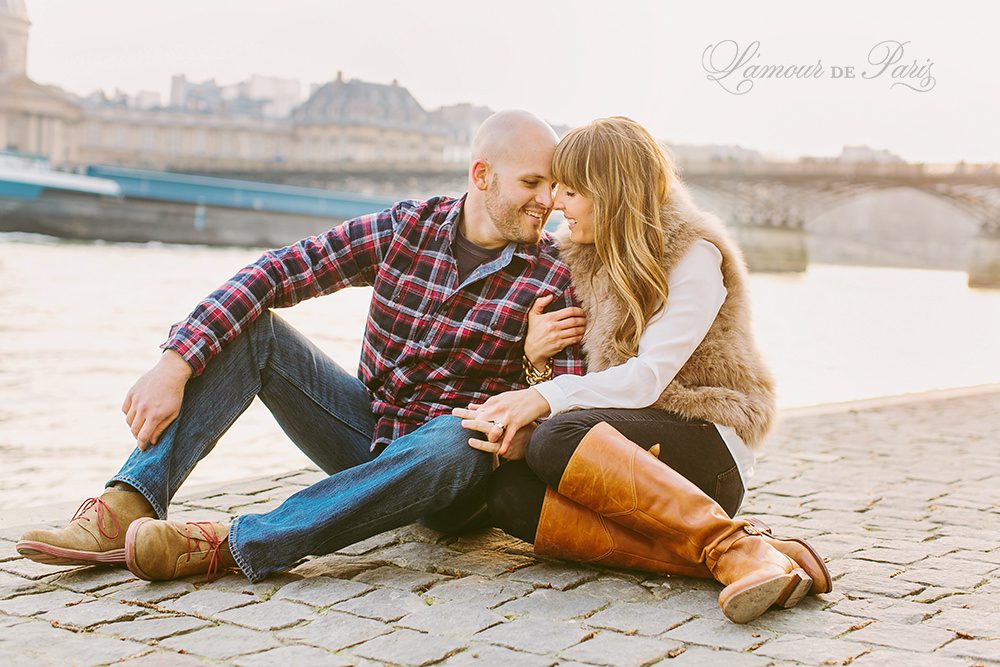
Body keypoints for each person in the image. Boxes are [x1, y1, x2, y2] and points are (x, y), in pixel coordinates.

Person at [16, 110, 586, 583]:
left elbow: (569, 411)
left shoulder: (557, 273)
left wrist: (531, 375)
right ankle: (128, 502)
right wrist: (175, 362)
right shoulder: (407, 228)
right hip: (370, 435)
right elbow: (278, 271)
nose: (548, 201)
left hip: (452, 474)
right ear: (482, 175)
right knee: (257, 330)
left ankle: (232, 544)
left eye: (552, 187)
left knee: (463, 436)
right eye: (531, 184)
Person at [454, 117, 830, 624]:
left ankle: (734, 547)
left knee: (555, 436)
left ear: (610, 193)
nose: (556, 204)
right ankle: (753, 557)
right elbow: (585, 387)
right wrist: (535, 360)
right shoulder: (583, 255)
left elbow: (650, 378)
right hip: (618, 442)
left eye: (571, 191)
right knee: (507, 496)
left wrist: (545, 398)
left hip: (705, 443)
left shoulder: (692, 253)